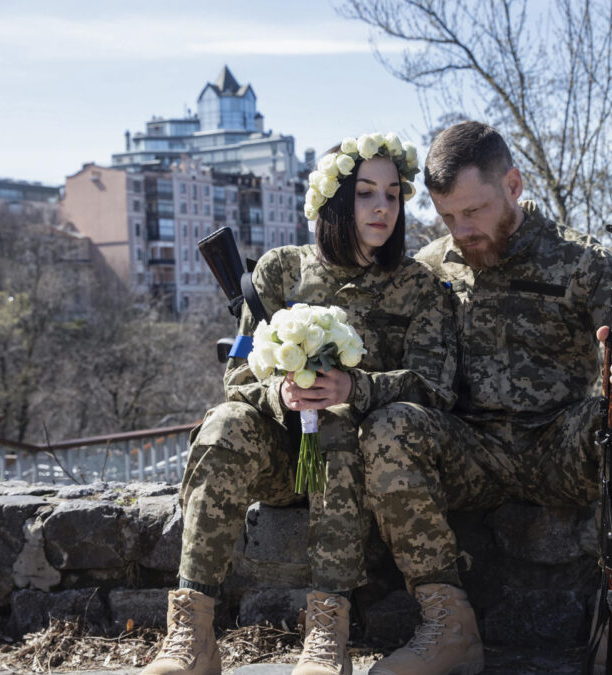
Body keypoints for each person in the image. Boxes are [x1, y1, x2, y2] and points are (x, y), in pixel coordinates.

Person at [360, 121, 612, 675]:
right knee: (390, 426)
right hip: (471, 451)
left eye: (475, 210)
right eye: (448, 217)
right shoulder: (433, 266)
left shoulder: (581, 260)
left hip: (559, 445)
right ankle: (448, 627)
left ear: (512, 184)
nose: (462, 230)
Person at [141, 133, 456, 675]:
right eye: (364, 193)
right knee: (222, 425)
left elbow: (436, 387)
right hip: (284, 459)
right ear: (335, 200)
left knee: (335, 423)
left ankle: (326, 635)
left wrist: (357, 389)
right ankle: (191, 635)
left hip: (362, 461)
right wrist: (282, 394)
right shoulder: (279, 271)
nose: (382, 206)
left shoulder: (419, 286)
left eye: (392, 194)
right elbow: (239, 376)